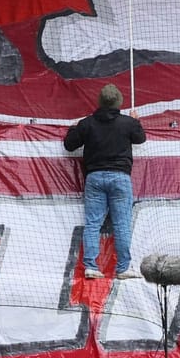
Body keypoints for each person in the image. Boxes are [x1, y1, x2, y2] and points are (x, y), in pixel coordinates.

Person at [63, 84, 146, 279]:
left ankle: (91, 266)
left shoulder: (87, 124)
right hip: (120, 178)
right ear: (119, 103)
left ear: (99, 102)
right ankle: (123, 268)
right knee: (122, 224)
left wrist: (72, 128)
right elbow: (140, 139)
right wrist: (136, 122)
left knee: (92, 224)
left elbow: (69, 145)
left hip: (94, 178)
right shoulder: (127, 123)